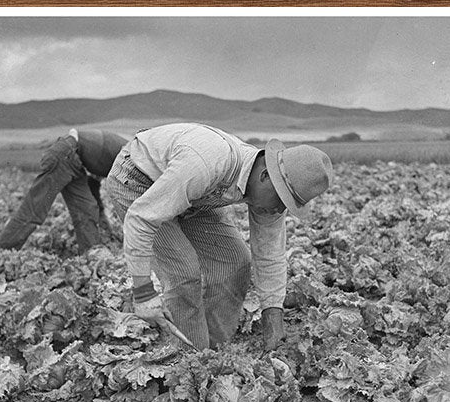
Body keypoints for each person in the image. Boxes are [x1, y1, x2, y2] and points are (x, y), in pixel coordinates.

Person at [105, 123, 333, 351]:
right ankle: (188, 363)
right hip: (138, 180)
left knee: (234, 262)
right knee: (184, 274)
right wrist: (143, 293)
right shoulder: (208, 163)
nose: (278, 210)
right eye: (281, 201)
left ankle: (215, 351)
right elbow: (141, 218)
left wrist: (273, 315)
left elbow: (270, 254)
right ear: (265, 176)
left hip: (194, 192)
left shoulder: (269, 196)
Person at [0, 128, 127, 252]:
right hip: (65, 155)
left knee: (87, 209)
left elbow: (94, 186)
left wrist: (104, 222)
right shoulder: (132, 159)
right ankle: (0, 250)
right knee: (36, 209)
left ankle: (92, 254)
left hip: (75, 162)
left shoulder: (123, 158)